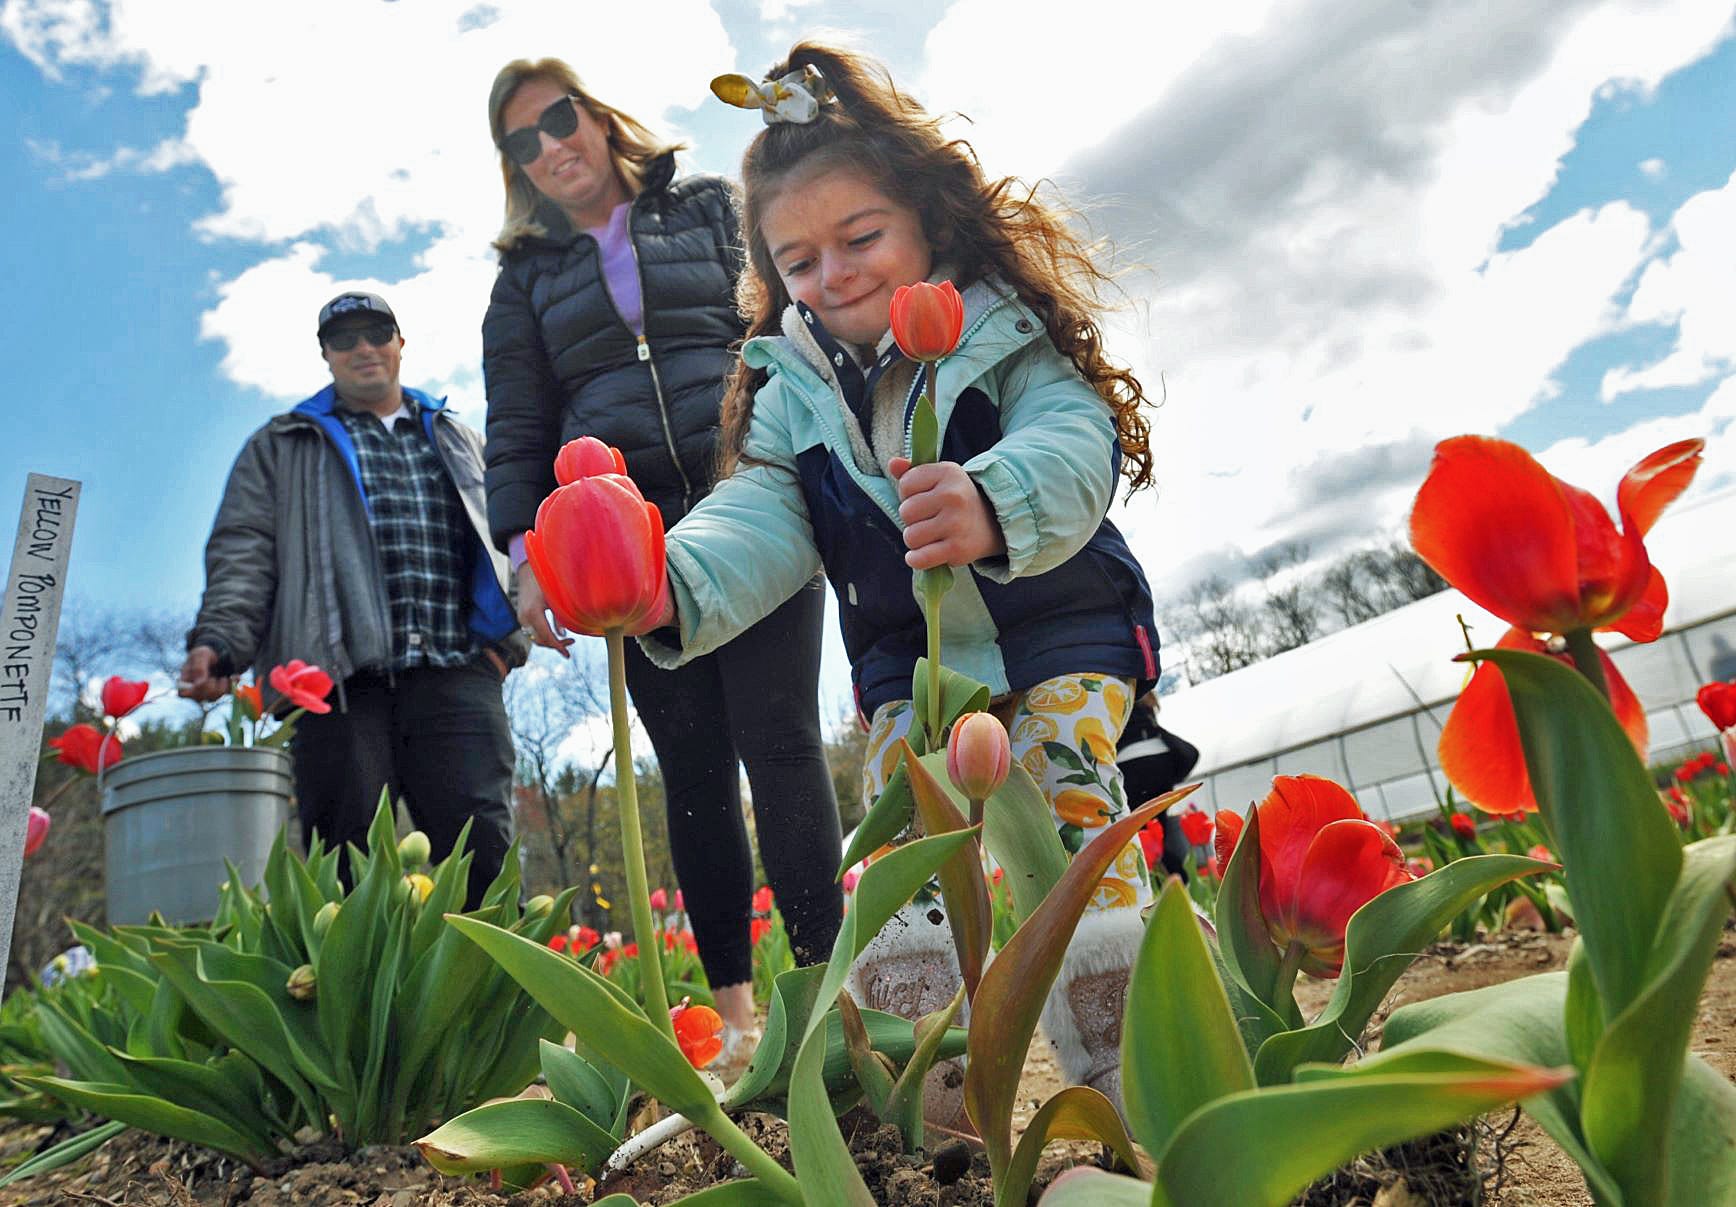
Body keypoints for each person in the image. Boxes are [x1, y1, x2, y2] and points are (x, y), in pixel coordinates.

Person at [638, 43, 1161, 1111]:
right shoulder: (787, 385)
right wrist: (672, 580)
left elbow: (1074, 437)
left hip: (1055, 626)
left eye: (859, 237)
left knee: (1067, 810)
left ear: (927, 219)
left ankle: (1127, 1070)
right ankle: (930, 1091)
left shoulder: (1001, 329)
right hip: (902, 669)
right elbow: (762, 513)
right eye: (797, 260)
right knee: (899, 860)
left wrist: (994, 499)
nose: (832, 275)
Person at [480, 59, 843, 1056]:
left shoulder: (708, 207)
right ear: (513, 165)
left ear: (597, 119)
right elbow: (515, 424)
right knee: (690, 766)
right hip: (621, 533)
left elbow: (778, 322)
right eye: (523, 139)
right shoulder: (522, 280)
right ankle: (732, 1018)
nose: (550, 144)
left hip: (750, 494)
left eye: (560, 119)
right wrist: (528, 559)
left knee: (783, 740)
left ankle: (824, 997)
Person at [179, 292, 527, 909]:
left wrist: (504, 649)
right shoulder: (284, 444)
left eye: (377, 333)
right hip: (335, 684)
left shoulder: (459, 439)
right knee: (345, 866)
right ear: (326, 355)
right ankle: (357, 1001)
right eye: (345, 339)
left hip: (457, 674)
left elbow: (512, 536)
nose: (363, 348)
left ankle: (498, 1002)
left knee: (484, 860)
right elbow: (244, 551)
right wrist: (221, 641)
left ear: (400, 342)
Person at [1118, 692, 1201, 878]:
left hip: (1129, 764)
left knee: (1143, 833)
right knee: (1158, 826)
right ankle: (1180, 879)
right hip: (1162, 760)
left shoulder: (1112, 690)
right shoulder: (1144, 694)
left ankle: (1172, 878)